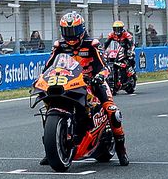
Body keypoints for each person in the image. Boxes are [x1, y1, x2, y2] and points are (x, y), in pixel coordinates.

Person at [40, 11, 128, 162]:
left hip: (93, 82)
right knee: (49, 108)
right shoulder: (59, 46)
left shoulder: (92, 44)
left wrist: (100, 76)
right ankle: (53, 149)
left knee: (112, 111)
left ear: (81, 29)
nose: (70, 35)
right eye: (67, 31)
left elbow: (104, 66)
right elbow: (48, 66)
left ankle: (121, 150)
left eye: (74, 30)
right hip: (69, 82)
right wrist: (43, 77)